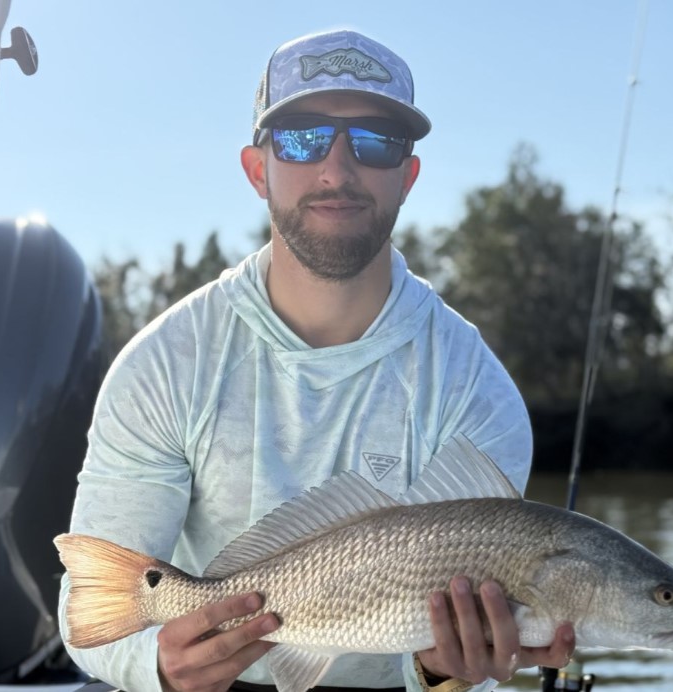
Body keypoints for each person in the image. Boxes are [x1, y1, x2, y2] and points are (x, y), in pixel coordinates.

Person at [58, 28, 575, 692]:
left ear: (407, 176)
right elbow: (94, 616)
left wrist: (439, 671)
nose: (336, 170)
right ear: (257, 171)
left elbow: (448, 653)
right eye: (302, 138)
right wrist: (156, 663)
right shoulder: (164, 364)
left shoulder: (477, 393)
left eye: (375, 141)